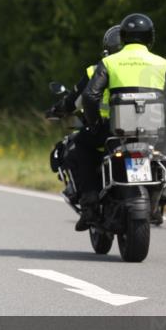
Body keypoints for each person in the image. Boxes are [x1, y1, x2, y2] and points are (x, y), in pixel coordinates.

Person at [79, 13, 166, 230]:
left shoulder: (109, 62)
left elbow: (90, 96)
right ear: (150, 37)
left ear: (123, 36)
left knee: (78, 148)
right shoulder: (162, 63)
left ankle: (90, 203)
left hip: (116, 132)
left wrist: (95, 123)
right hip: (153, 134)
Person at [49, 25, 122, 205]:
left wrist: (58, 110)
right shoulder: (151, 66)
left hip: (108, 127)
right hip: (145, 130)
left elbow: (77, 100)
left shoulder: (98, 69)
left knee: (77, 146)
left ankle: (89, 198)